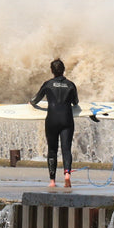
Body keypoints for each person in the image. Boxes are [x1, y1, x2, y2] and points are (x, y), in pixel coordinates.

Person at [30, 59, 79, 188]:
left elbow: (35, 100)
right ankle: (67, 174)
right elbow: (76, 102)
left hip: (51, 119)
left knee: (52, 150)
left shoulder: (47, 84)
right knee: (66, 149)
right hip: (67, 119)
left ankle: (52, 181)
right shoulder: (71, 85)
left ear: (52, 70)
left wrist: (30, 103)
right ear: (64, 70)